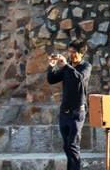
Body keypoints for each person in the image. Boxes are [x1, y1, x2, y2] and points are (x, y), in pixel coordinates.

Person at [47, 40, 92, 170]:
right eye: (69, 51)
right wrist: (51, 66)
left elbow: (79, 78)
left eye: (73, 52)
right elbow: (51, 79)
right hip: (64, 113)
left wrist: (66, 65)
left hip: (77, 113)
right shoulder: (68, 67)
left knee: (73, 146)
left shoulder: (86, 66)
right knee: (67, 146)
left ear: (81, 54)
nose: (70, 54)